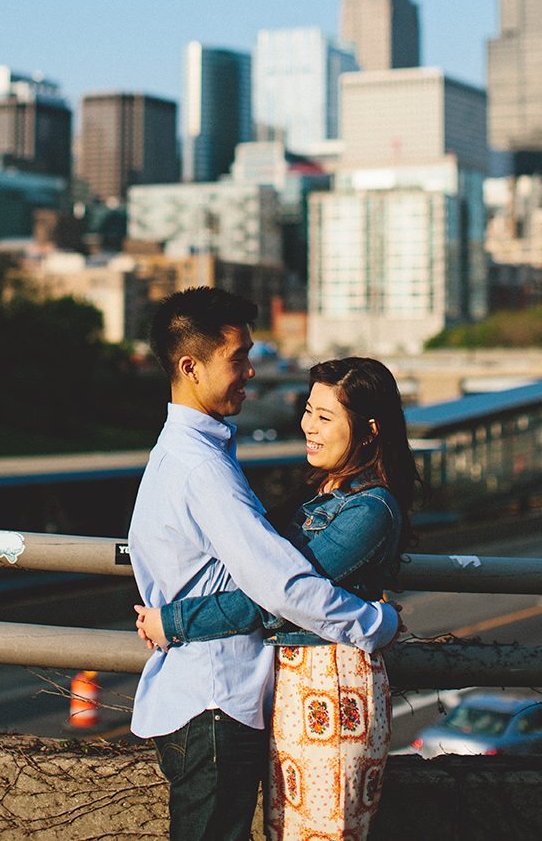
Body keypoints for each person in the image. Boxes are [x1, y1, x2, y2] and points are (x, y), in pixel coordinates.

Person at [127, 288, 398, 841]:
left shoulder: (183, 453)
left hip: (205, 696)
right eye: (238, 357)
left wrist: (170, 621)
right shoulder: (203, 469)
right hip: (214, 697)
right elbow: (283, 586)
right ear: (190, 366)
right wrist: (376, 624)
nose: (252, 370)